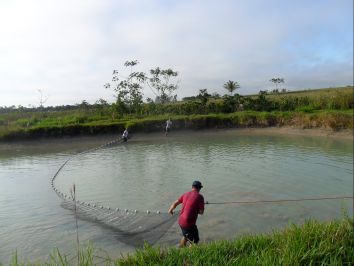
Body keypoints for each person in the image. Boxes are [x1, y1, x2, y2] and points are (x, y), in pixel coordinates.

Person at [168, 180, 205, 247]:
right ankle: (189, 254)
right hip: (188, 223)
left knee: (186, 235)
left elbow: (175, 203)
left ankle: (181, 248)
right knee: (195, 240)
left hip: (180, 221)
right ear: (199, 188)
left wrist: (171, 209)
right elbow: (201, 212)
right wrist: (199, 205)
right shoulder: (200, 197)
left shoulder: (185, 194)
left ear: (192, 187)